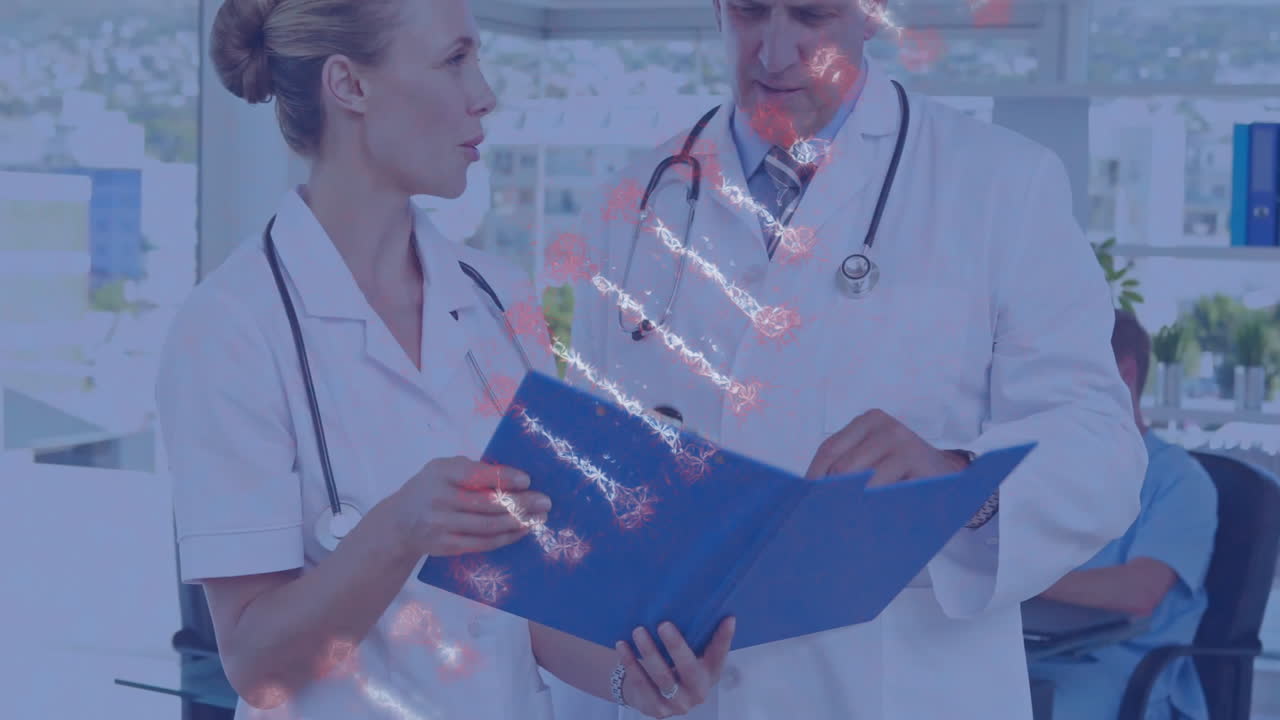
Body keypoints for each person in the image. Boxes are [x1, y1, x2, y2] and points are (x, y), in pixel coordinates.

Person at [555, 0, 1149, 717]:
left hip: (894, 688)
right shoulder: (637, 198)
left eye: (811, 15)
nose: (774, 52)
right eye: (748, 12)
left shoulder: (999, 186)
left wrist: (959, 481)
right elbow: (586, 472)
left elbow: (1102, 448)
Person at [156, 1, 731, 719]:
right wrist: (399, 531)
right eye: (454, 60)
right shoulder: (232, 327)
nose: (484, 93)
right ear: (350, 86)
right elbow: (257, 666)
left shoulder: (499, 298)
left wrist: (632, 676)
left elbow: (526, 606)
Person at [1031, 310, 1218, 720]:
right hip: (1035, 652)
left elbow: (1140, 592)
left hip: (1120, 671)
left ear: (1125, 373)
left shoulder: (1180, 479)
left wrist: (1022, 576)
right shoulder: (1051, 469)